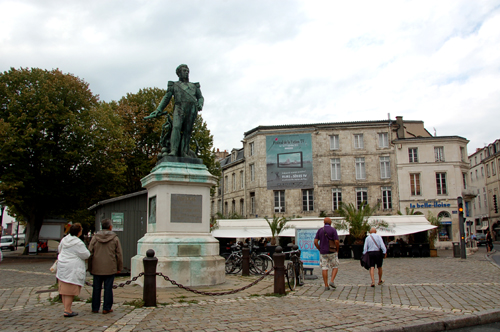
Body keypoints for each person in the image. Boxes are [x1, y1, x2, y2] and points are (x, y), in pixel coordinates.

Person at [144, 64, 204, 158]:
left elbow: (200, 97)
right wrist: (159, 109)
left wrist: (200, 104)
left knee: (187, 131)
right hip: (179, 107)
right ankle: (174, 151)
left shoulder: (194, 86)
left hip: (192, 109)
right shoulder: (174, 85)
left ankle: (184, 152)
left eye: (187, 71)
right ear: (179, 73)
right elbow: (167, 97)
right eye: (184, 71)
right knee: (176, 127)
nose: (186, 72)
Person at [89, 219, 123, 314]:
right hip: (110, 266)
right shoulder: (115, 238)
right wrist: (119, 267)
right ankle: (106, 307)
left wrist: (90, 266)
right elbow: (119, 254)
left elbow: (90, 252)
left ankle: (95, 307)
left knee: (96, 288)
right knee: (108, 288)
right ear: (110, 227)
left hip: (97, 266)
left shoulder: (95, 238)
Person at [56, 223, 90, 317]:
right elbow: (86, 254)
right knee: (70, 291)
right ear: (79, 232)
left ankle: (66, 308)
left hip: (63, 266)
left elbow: (60, 249)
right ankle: (68, 309)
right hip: (72, 268)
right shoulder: (78, 243)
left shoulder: (64, 240)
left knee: (64, 290)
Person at [314, 217, 340, 291]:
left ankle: (326, 285)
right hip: (332, 251)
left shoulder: (320, 230)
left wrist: (319, 248)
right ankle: (332, 281)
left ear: (324, 222)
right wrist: (337, 249)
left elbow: (315, 242)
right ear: (330, 222)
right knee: (335, 265)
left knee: (324, 267)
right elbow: (337, 242)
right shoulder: (333, 230)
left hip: (323, 252)